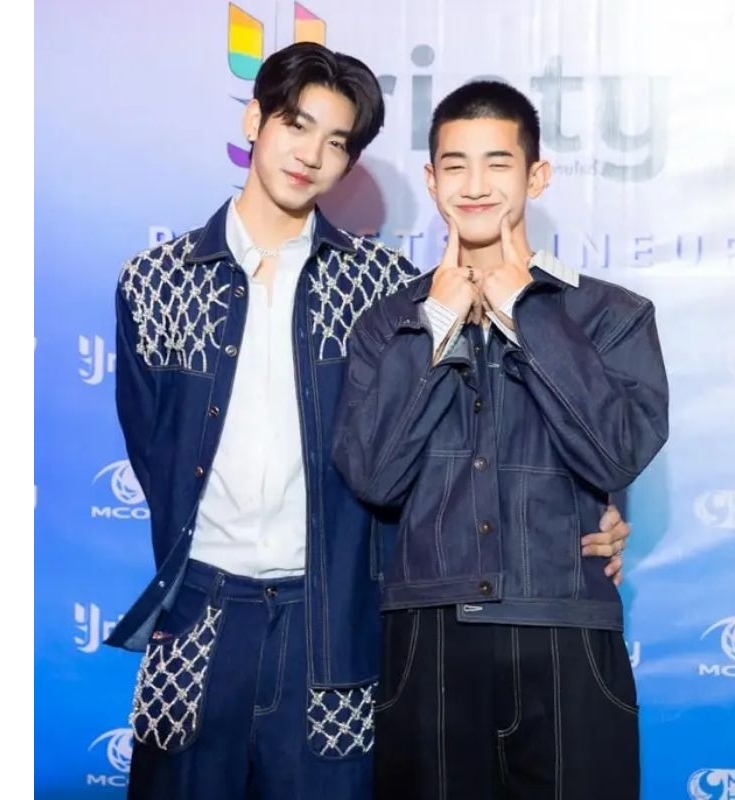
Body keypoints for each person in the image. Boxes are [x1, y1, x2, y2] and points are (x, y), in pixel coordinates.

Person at [108, 42, 633, 800]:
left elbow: (447, 437)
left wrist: (595, 508)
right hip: (198, 618)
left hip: (334, 623)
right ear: (254, 120)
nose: (310, 154)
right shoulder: (156, 281)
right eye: (297, 125)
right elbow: (152, 448)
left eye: (337, 142)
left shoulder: (381, 286)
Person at [333, 79, 669, 800]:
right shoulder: (386, 325)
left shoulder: (613, 317)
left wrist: (524, 308)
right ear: (432, 181)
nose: (476, 185)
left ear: (535, 176)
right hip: (429, 638)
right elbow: (374, 475)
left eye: (498, 163)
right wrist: (435, 324)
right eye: (456, 165)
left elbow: (614, 452)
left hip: (566, 630)